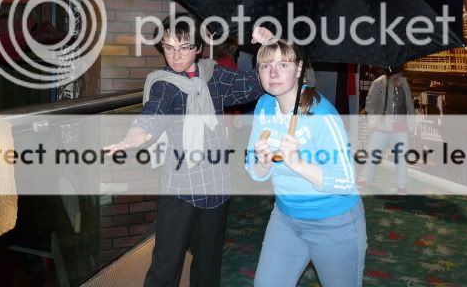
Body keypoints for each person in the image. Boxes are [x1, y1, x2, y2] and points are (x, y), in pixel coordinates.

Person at [104, 15, 273, 287]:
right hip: (179, 188)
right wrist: (136, 134)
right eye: (169, 47)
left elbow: (254, 84)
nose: (175, 56)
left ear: (199, 48)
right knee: (166, 264)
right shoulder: (165, 83)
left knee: (208, 264)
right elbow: (154, 110)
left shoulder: (214, 75)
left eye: (184, 47)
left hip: (214, 182)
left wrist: (268, 48)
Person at [246, 39, 367, 287]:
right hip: (285, 219)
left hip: (334, 223)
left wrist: (298, 163)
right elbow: (253, 166)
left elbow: (345, 181)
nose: (273, 73)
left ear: (299, 69)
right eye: (266, 66)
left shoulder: (321, 113)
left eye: (283, 64)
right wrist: (263, 164)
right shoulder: (264, 106)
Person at [358, 64, 414, 195]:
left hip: (400, 126)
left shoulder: (404, 83)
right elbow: (370, 103)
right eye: (396, 74)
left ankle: (401, 185)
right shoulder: (379, 82)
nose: (398, 77)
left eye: (400, 74)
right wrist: (372, 122)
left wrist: (411, 123)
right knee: (373, 153)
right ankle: (365, 178)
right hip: (381, 125)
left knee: (401, 156)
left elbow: (409, 103)